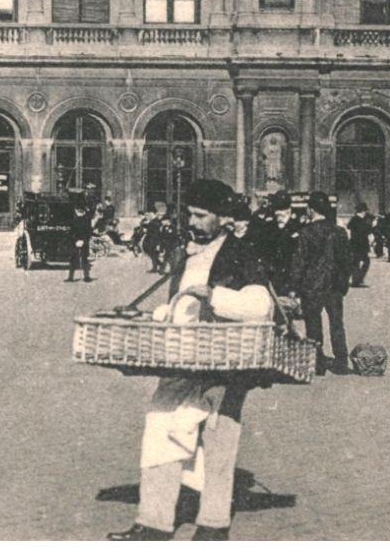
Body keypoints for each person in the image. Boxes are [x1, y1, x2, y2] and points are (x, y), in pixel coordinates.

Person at [109, 179, 274, 542]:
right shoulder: (185, 253)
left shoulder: (240, 253)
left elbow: (262, 306)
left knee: (219, 439)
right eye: (190, 215)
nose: (194, 222)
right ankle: (153, 522)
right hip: (182, 357)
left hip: (226, 361)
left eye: (201, 216)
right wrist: (158, 315)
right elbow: (177, 303)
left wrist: (214, 295)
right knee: (160, 427)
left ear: (223, 218)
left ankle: (213, 526)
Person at [288, 196, 351, 376]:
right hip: (334, 286)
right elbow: (347, 261)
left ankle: (318, 363)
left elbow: (299, 262)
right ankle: (341, 361)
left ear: (312, 210)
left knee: (313, 324)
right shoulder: (339, 231)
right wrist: (343, 283)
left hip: (311, 286)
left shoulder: (306, 232)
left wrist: (294, 286)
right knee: (337, 324)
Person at [347, 206, 375, 287]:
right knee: (364, 262)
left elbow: (348, 227)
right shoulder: (361, 221)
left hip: (354, 244)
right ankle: (357, 280)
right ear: (363, 211)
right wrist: (372, 226)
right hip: (361, 245)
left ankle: (357, 279)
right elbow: (366, 231)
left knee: (356, 262)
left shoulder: (353, 219)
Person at [67, 199, 94, 283]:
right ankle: (86, 277)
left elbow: (71, 233)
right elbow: (89, 233)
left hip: (75, 243)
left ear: (76, 211)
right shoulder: (87, 221)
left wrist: (75, 241)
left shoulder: (73, 221)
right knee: (85, 260)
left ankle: (71, 277)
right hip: (84, 243)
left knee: (73, 260)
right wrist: (84, 241)